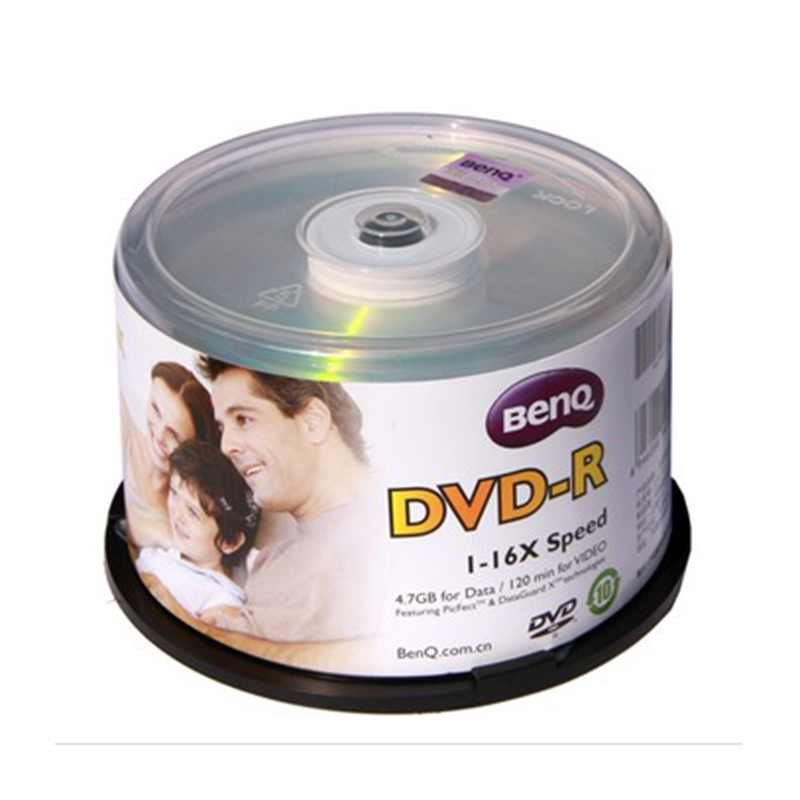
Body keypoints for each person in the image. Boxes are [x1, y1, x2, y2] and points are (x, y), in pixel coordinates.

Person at [193, 356, 390, 647]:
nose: (226, 446)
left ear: (313, 421)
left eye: (243, 419)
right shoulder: (273, 559)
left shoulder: (385, 543)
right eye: (222, 428)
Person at [136, 439, 259, 618]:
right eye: (174, 493)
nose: (177, 515)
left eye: (193, 512)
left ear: (230, 542)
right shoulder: (163, 547)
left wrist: (157, 589)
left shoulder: (221, 598)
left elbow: (210, 630)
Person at [121, 361, 218, 549]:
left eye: (175, 435)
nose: (159, 435)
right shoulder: (128, 432)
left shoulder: (188, 519)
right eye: (156, 409)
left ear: (195, 448)